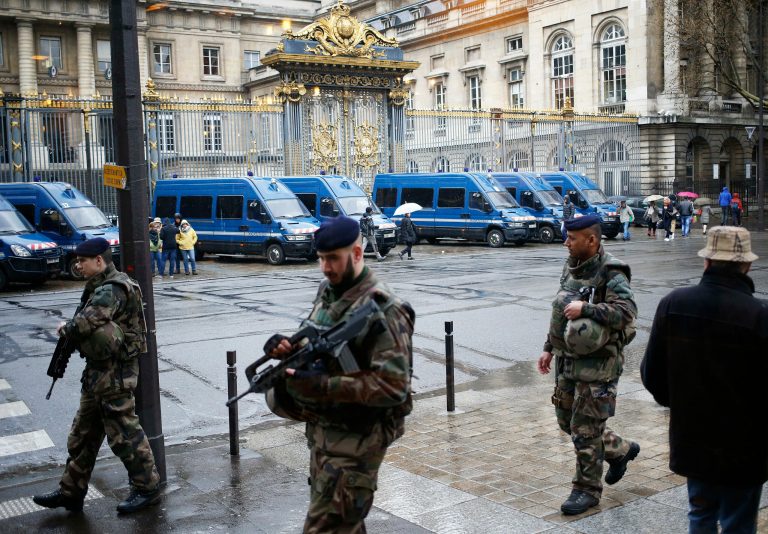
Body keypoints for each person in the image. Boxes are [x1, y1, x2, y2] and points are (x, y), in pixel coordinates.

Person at [263, 216, 414, 533]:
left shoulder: (386, 308)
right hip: (325, 435)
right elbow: (318, 342)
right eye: (321, 258)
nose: (325, 267)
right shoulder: (328, 291)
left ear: (357, 254)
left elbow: (393, 387)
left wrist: (321, 386)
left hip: (357, 444)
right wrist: (289, 348)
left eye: (333, 258)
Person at [640, 227, 766, 534]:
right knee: (738, 522)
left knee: (700, 514)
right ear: (746, 266)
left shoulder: (673, 304)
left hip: (693, 439)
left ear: (706, 262)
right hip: (745, 449)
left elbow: (651, 375)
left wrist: (681, 403)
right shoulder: (759, 315)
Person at [33, 238, 161, 514]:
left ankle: (147, 488)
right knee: (83, 435)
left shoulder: (112, 288)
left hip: (115, 375)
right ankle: (71, 491)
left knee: (125, 434)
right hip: (98, 374)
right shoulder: (100, 286)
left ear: (99, 261)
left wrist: (65, 328)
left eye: (83, 261)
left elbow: (86, 321)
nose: (78, 266)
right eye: (77, 261)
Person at [537, 214, 640, 516]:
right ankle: (620, 450)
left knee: (584, 429)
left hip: (599, 365)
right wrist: (548, 349)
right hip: (568, 360)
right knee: (566, 421)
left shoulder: (612, 272)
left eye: (572, 238)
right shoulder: (571, 268)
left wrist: (589, 308)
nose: (566, 243)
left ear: (592, 240)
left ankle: (587, 490)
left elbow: (626, 313)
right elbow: (560, 312)